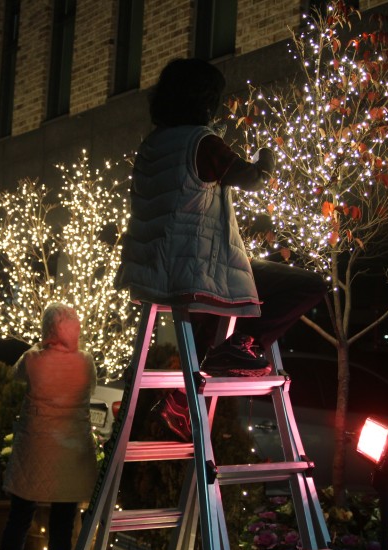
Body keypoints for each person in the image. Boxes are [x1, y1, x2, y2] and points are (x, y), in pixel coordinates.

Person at [115, 57, 327, 378]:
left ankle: (175, 407)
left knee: (210, 324)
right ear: (204, 99)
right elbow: (254, 178)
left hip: (154, 273)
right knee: (311, 284)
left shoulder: (151, 145)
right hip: (197, 271)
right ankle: (245, 343)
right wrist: (266, 156)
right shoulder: (202, 142)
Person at [0, 303, 99, 550]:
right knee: (62, 529)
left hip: (34, 453)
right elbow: (89, 389)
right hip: (70, 454)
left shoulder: (32, 360)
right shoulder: (85, 362)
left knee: (18, 520)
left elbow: (14, 376)